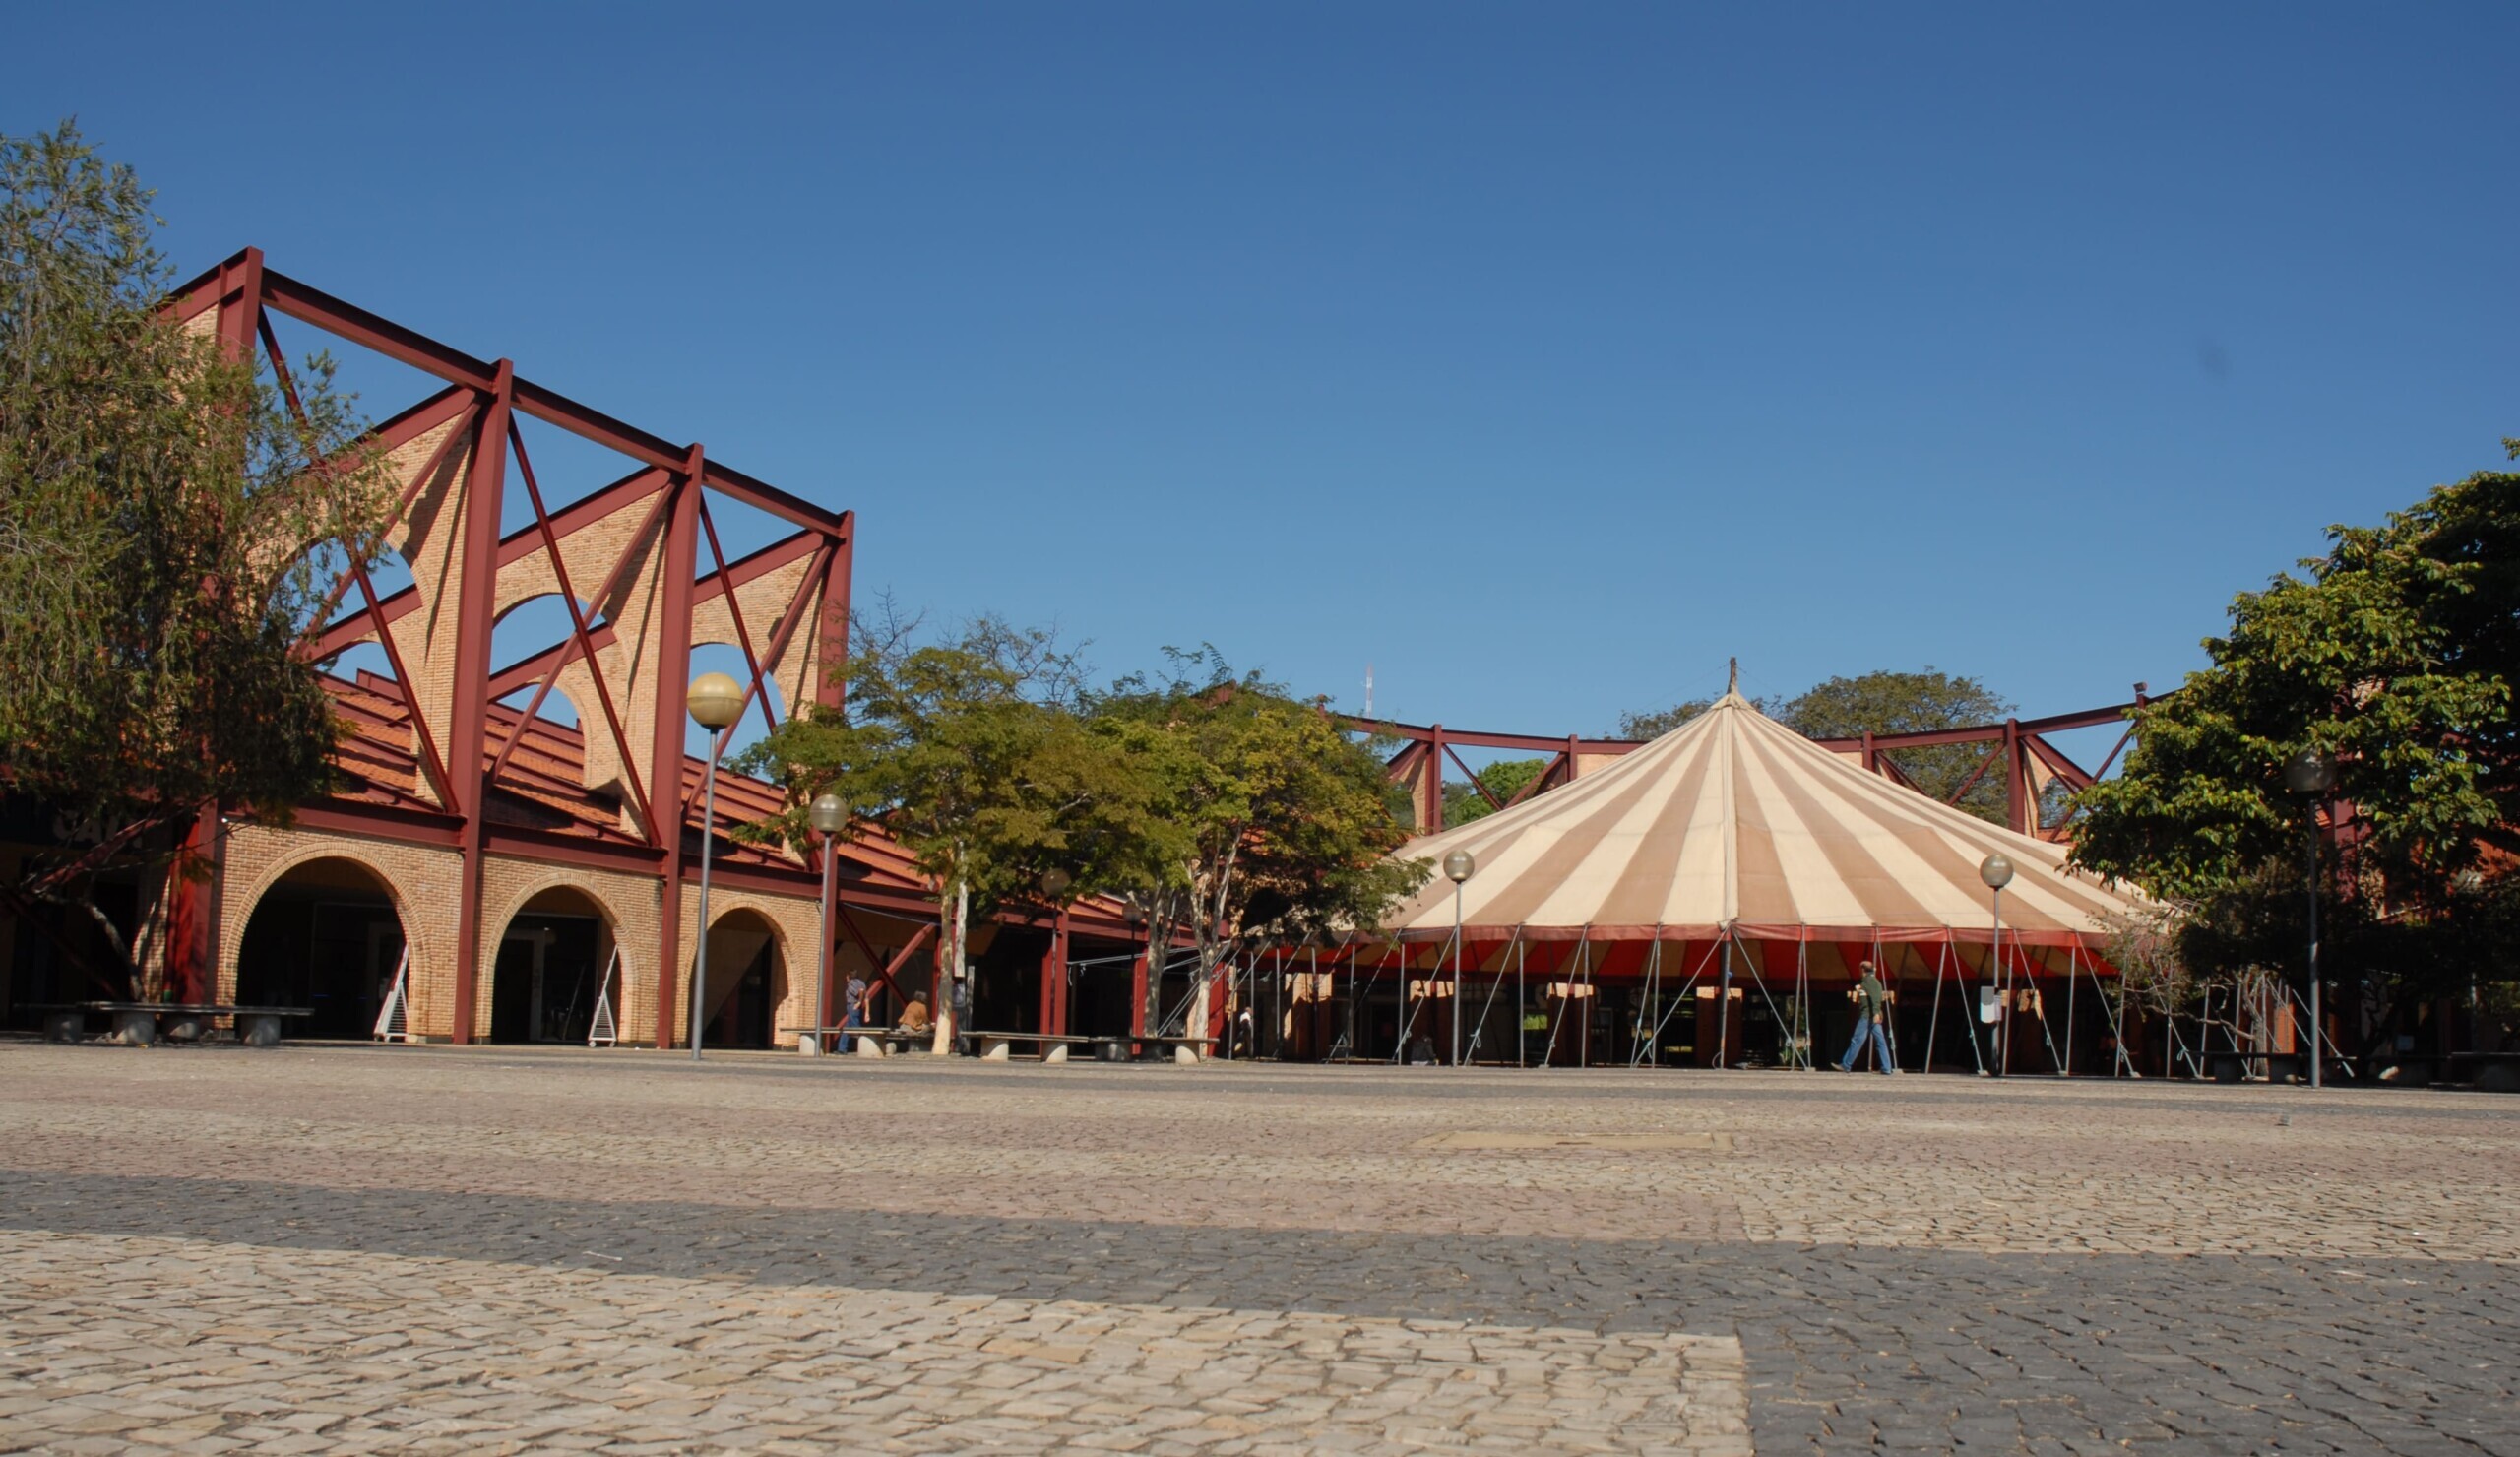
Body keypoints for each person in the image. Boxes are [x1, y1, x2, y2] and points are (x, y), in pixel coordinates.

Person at [1838, 960, 1896, 1074]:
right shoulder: (1872, 982)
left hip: (1868, 1016)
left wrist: (1875, 1013)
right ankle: (1886, 1068)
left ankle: (1846, 1064)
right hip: (1873, 1016)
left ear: (1863, 969)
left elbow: (1875, 999)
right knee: (1881, 1042)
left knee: (1857, 1040)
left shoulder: (1869, 981)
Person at [841, 974, 867, 1053]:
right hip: (854, 1006)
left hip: (852, 1005)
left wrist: (859, 1001)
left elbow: (860, 991)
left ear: (850, 976)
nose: (845, 977)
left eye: (847, 976)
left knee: (856, 1027)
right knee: (846, 1028)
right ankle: (842, 1049)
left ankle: (866, 1045)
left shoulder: (851, 983)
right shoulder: (861, 982)